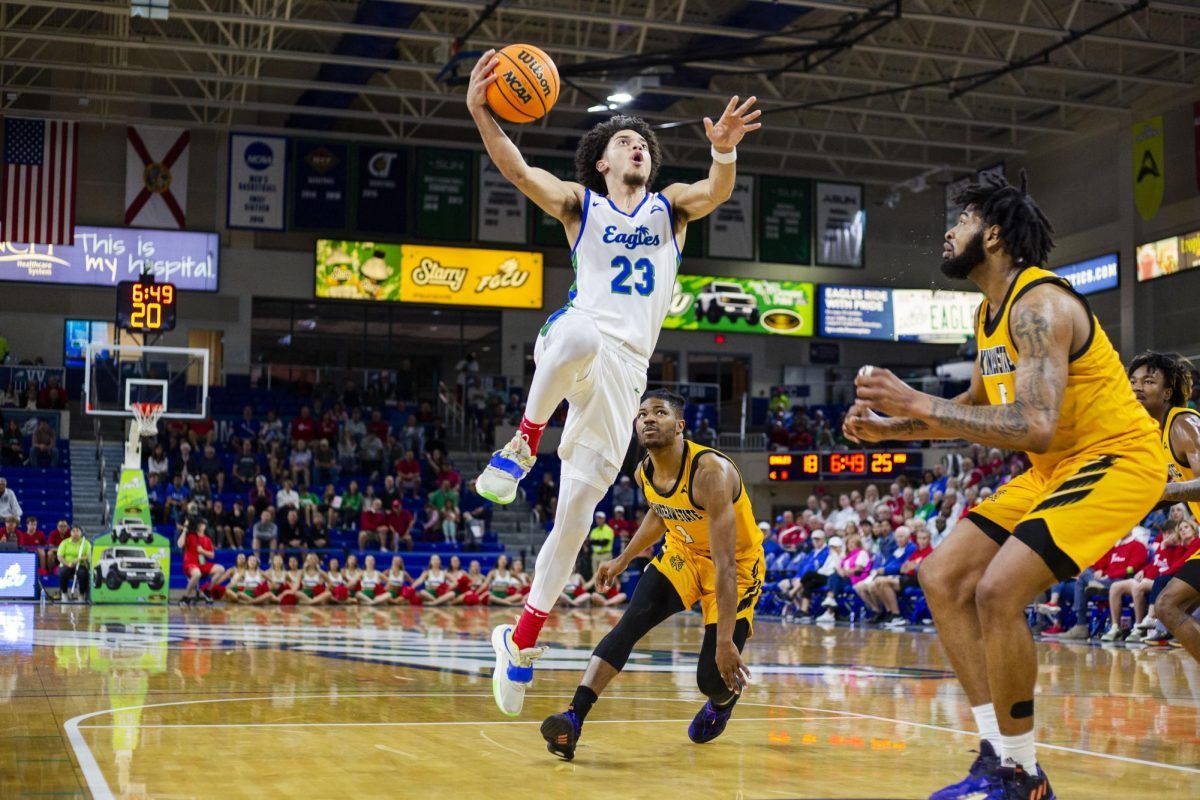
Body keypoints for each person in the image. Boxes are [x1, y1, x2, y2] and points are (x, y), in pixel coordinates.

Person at [844, 170, 1162, 799]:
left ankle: (1021, 773)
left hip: (1116, 459)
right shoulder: (989, 313)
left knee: (997, 590)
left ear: (991, 235)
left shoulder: (1040, 305)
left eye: (960, 220)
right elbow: (976, 405)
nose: (947, 230)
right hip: (1053, 472)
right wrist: (892, 430)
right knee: (941, 577)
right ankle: (999, 755)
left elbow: (1034, 425)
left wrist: (916, 400)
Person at [465, 50, 763, 717]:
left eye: (643, 146)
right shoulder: (580, 207)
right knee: (578, 334)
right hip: (574, 341)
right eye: (624, 143)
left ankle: (521, 641)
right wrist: (480, 110)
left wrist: (723, 154)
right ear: (602, 162)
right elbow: (516, 169)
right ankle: (521, 443)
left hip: (626, 377)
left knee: (575, 517)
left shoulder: (671, 211)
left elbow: (715, 192)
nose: (636, 149)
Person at [539, 390, 763, 759]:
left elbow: (724, 566)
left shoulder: (711, 474)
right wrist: (624, 558)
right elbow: (660, 512)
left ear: (680, 427)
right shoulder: (645, 470)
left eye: (659, 412)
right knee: (628, 624)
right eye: (642, 413)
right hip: (683, 554)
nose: (648, 419)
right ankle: (573, 717)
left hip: (734, 567)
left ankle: (721, 705)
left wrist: (726, 643)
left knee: (712, 679)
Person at [178, 521, 225, 605]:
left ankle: (208, 590)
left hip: (202, 565)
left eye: (202, 524)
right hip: (190, 564)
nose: (201, 525)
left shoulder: (207, 539)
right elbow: (180, 545)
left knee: (221, 569)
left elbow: (212, 555)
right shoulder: (190, 536)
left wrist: (203, 551)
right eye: (199, 524)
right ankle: (186, 596)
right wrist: (185, 530)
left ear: (205, 526)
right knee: (197, 573)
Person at [56, 525, 91, 600]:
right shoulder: (64, 542)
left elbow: (89, 556)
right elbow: (59, 556)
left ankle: (81, 594)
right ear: (70, 532)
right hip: (67, 564)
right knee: (63, 572)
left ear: (81, 532)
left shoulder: (86, 543)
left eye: (77, 531)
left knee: (83, 574)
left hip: (80, 564)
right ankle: (64, 593)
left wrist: (79, 559)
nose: (75, 533)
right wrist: (68, 563)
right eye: (73, 531)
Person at [588, 512, 614, 578]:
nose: (598, 520)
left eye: (600, 518)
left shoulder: (608, 529)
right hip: (595, 554)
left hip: (605, 555)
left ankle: (606, 588)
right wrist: (598, 541)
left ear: (604, 519)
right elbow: (590, 542)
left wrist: (594, 541)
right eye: (597, 518)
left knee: (604, 575)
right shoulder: (594, 530)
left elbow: (604, 543)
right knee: (595, 576)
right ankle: (597, 588)